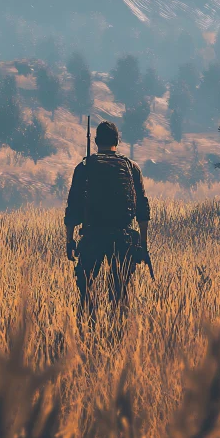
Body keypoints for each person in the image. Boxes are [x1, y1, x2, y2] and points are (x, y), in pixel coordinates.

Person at [64, 120, 151, 309]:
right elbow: (142, 209)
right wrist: (143, 245)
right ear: (117, 141)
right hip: (123, 236)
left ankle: (88, 329)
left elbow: (73, 206)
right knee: (120, 292)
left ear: (95, 141)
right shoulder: (131, 167)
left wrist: (70, 240)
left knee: (86, 289)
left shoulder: (84, 166)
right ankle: (118, 331)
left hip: (92, 235)